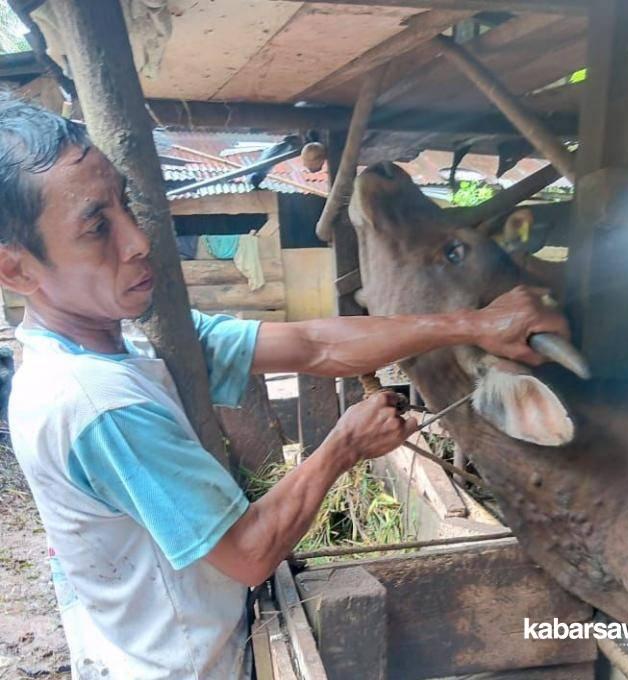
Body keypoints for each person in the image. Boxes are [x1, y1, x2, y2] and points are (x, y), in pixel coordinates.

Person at [0, 97, 570, 680]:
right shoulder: (98, 403)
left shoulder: (137, 341)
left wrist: (473, 324)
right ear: (18, 270)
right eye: (98, 227)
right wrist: (343, 447)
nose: (137, 239)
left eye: (125, 204)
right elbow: (248, 554)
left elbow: (311, 345)